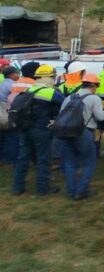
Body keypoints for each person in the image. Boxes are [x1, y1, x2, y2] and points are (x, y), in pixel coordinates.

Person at [60, 72, 104, 200]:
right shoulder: (94, 98)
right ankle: (81, 191)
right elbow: (100, 116)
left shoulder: (69, 98)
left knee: (70, 163)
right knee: (89, 162)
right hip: (83, 132)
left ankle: (71, 191)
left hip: (65, 132)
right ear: (94, 85)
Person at [12, 64, 64, 195]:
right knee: (43, 158)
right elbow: (64, 106)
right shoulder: (51, 92)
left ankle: (18, 187)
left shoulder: (30, 90)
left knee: (23, 158)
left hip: (25, 128)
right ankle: (43, 188)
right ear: (50, 77)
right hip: (41, 130)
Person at [0, 65, 22, 165]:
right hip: (8, 114)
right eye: (17, 73)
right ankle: (12, 159)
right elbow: (17, 100)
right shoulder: (13, 85)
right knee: (13, 136)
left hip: (1, 114)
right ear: (11, 74)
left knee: (3, 137)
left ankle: (3, 158)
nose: (18, 75)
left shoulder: (2, 83)